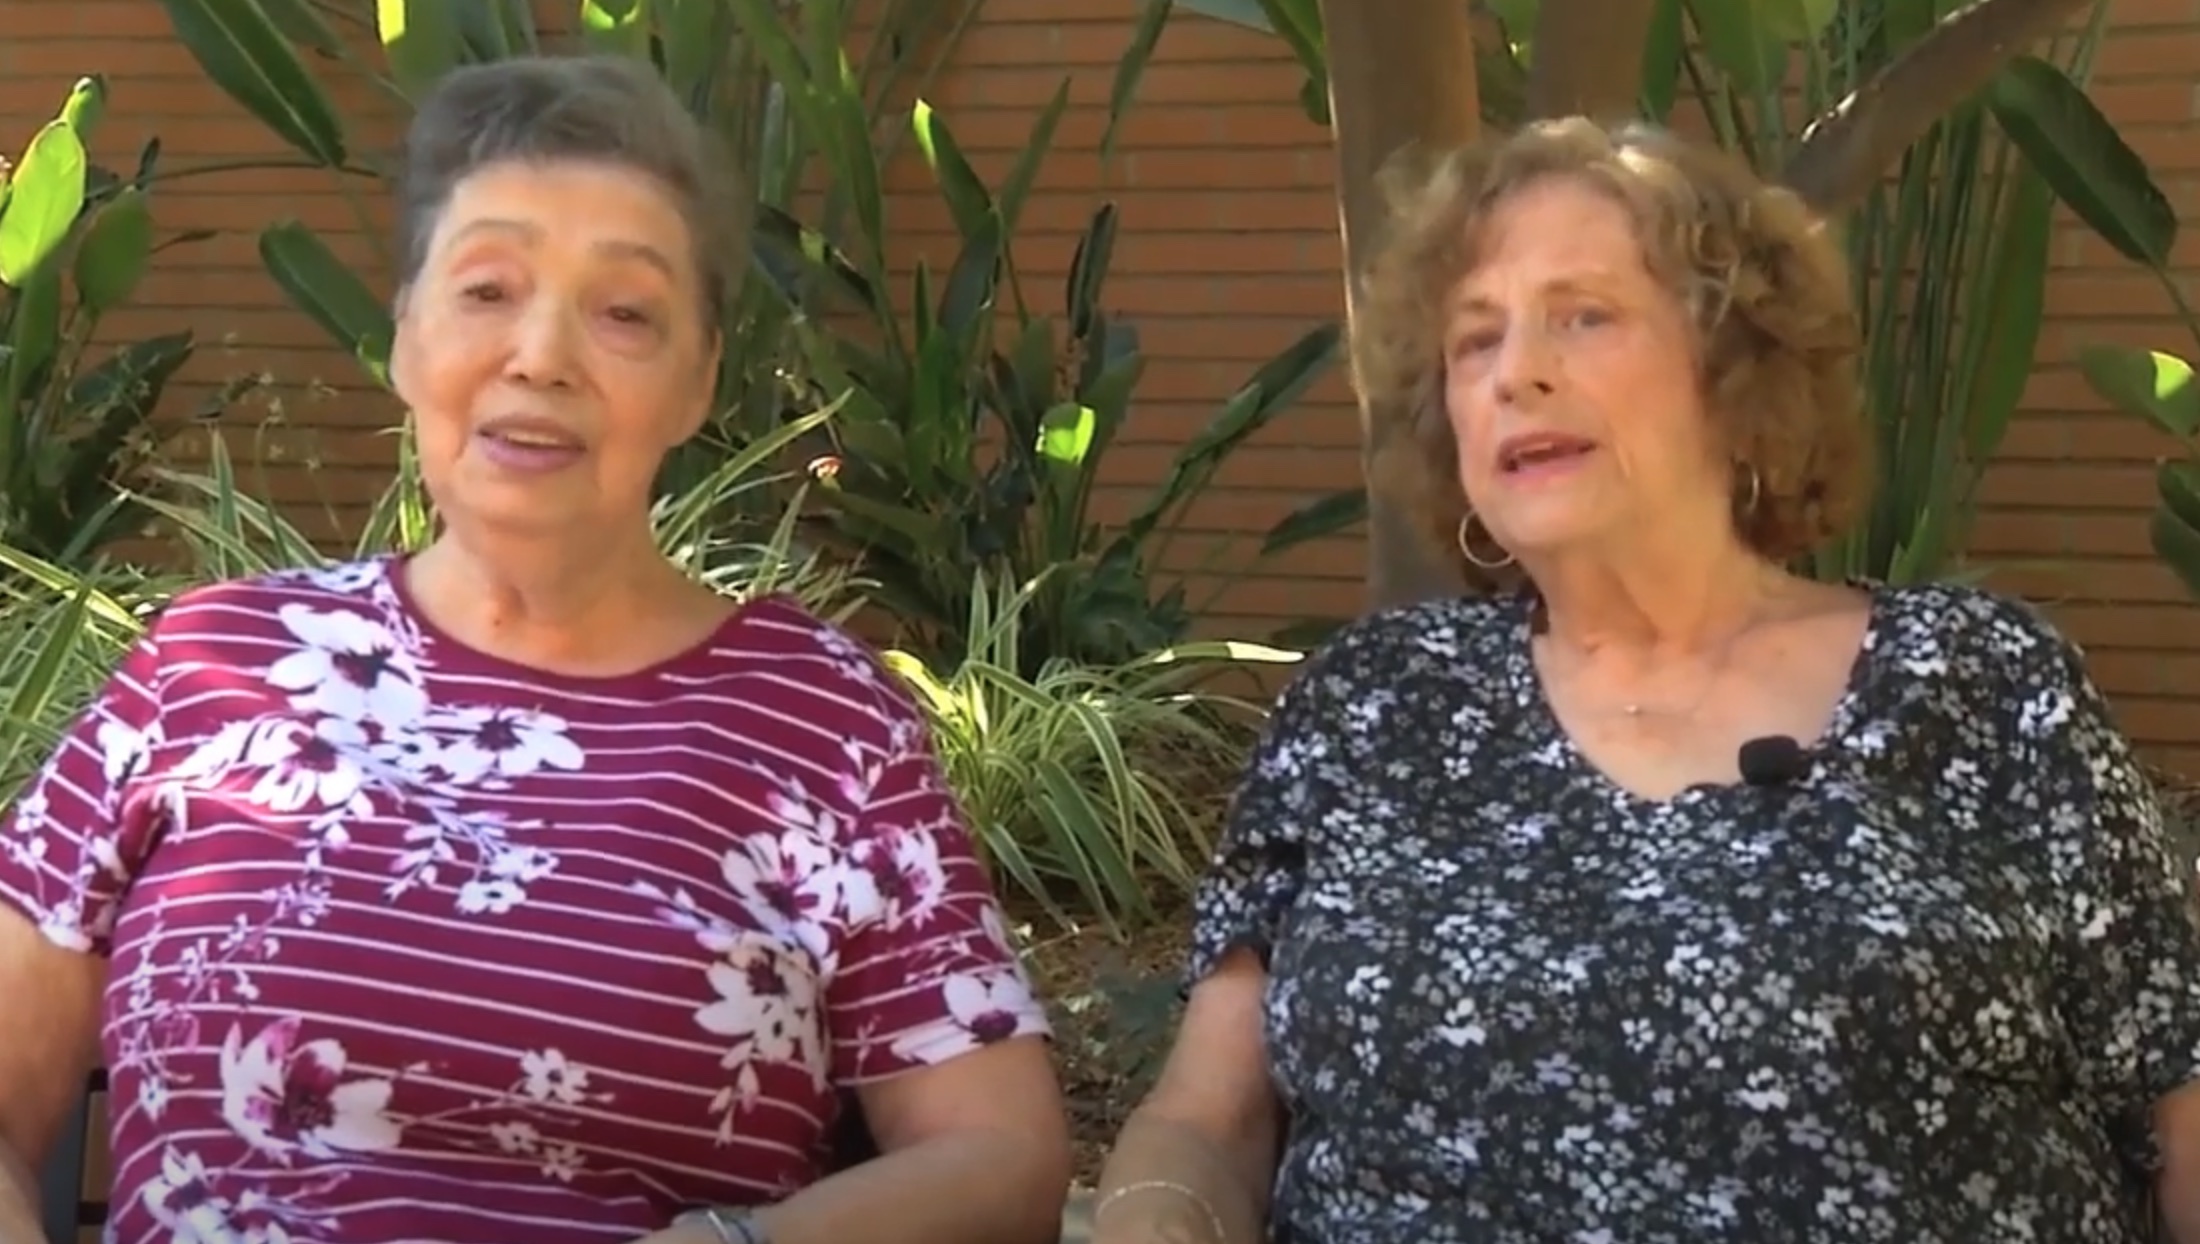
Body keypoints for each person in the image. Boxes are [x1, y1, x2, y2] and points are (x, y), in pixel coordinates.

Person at [0, 55, 1071, 1244]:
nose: (543, 354)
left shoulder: (822, 726)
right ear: (405, 335)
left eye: (624, 311)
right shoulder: (208, 665)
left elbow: (1000, 1154)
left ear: (696, 379)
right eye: (487, 288)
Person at [1088, 117, 2200, 1243]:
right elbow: (1210, 1116)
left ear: (1735, 372)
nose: (1516, 370)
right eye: (1474, 340)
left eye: (1583, 315)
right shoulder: (1369, 705)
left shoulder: (1981, 684)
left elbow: (2179, 1097)